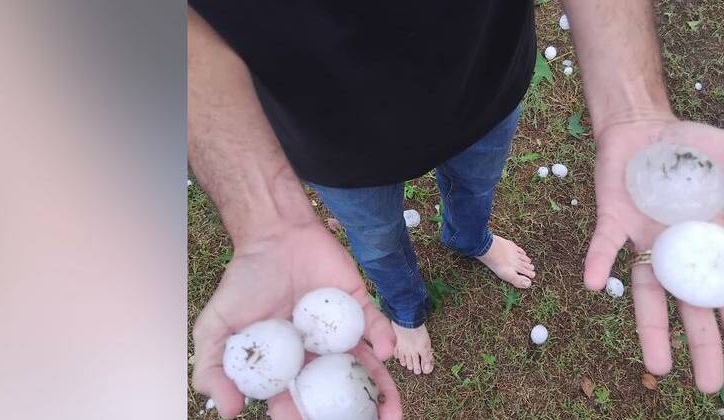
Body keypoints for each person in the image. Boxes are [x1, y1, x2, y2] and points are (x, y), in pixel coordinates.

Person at [188, 1, 724, 418]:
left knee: (476, 190)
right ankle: (405, 310)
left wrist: (632, 106)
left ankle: (471, 240)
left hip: (482, 81)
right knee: (377, 239)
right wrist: (264, 219)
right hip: (328, 133)